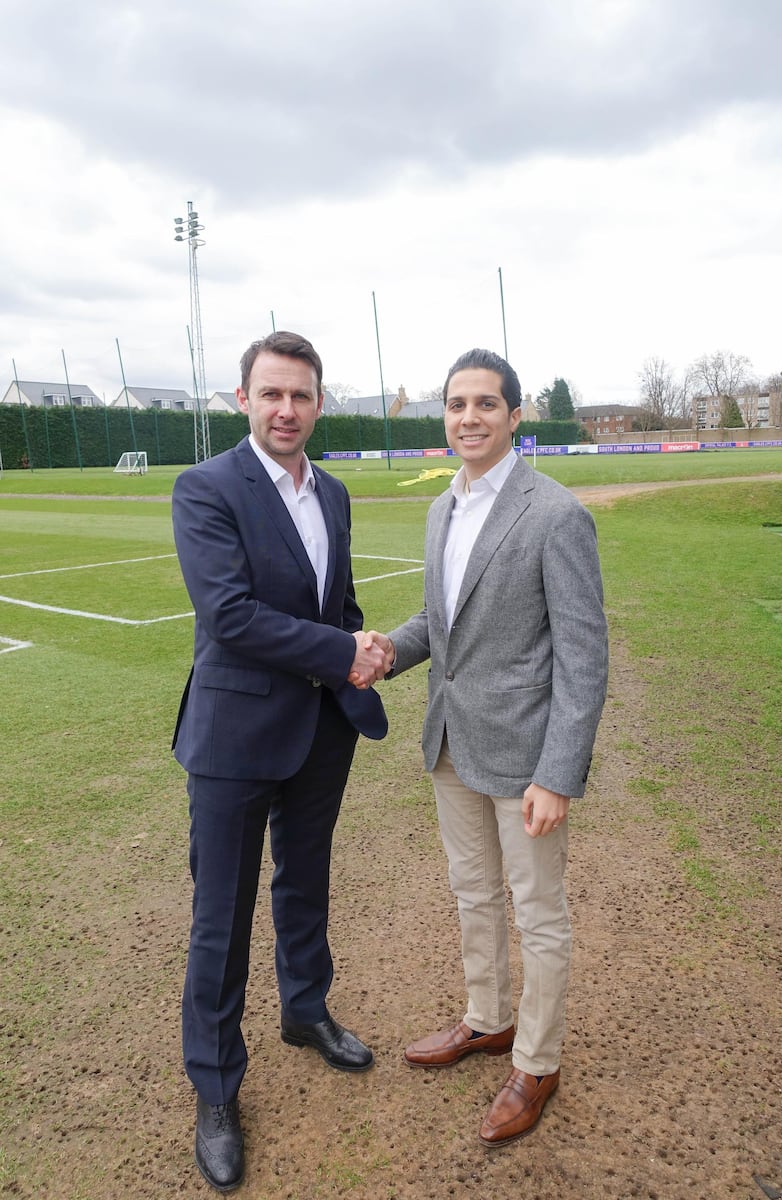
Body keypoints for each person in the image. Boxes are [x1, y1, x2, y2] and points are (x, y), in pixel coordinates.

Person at [359, 348, 608, 1148]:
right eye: (457, 404)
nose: (469, 418)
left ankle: (537, 1063)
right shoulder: (443, 509)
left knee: (538, 915)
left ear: (514, 414)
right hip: (450, 745)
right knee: (473, 896)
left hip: (526, 758)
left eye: (485, 405)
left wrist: (558, 774)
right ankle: (487, 1022)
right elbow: (442, 624)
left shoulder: (556, 514)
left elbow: (583, 657)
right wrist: (389, 652)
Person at [172, 330, 389, 1192]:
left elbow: (332, 600)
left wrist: (361, 641)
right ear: (243, 401)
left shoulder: (331, 492)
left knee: (307, 882)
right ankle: (217, 1087)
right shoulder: (206, 487)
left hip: (318, 730)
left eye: (301, 396)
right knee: (219, 920)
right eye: (271, 395)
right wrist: (344, 652)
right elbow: (230, 615)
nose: (286, 410)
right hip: (232, 739)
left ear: (319, 402)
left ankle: (306, 1013)